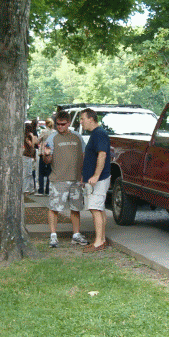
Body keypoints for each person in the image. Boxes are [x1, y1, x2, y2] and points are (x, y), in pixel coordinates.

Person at [42, 110, 87, 248]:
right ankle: (53, 236)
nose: (60, 127)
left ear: (68, 123)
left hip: (75, 179)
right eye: (57, 124)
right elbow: (47, 161)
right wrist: (46, 154)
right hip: (58, 179)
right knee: (54, 208)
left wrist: (83, 174)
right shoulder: (52, 138)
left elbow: (84, 155)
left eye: (62, 124)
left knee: (76, 208)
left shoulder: (77, 137)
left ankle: (76, 234)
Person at [80, 108, 111, 253]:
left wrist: (96, 175)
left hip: (99, 179)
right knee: (99, 208)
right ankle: (102, 239)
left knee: (95, 209)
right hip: (94, 179)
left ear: (91, 119)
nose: (81, 122)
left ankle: (98, 242)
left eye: (82, 119)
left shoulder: (99, 133)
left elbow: (102, 155)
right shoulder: (96, 133)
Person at [36, 118, 54, 195]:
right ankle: (47, 189)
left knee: (41, 172)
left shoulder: (44, 131)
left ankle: (41, 190)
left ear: (46, 123)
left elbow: (38, 141)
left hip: (43, 153)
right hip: (51, 153)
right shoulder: (54, 132)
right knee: (49, 172)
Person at [23, 123, 37, 195]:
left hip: (28, 155)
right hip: (27, 155)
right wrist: (32, 137)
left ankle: (31, 188)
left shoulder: (26, 135)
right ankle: (26, 189)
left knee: (29, 173)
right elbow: (32, 145)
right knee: (27, 173)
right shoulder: (28, 136)